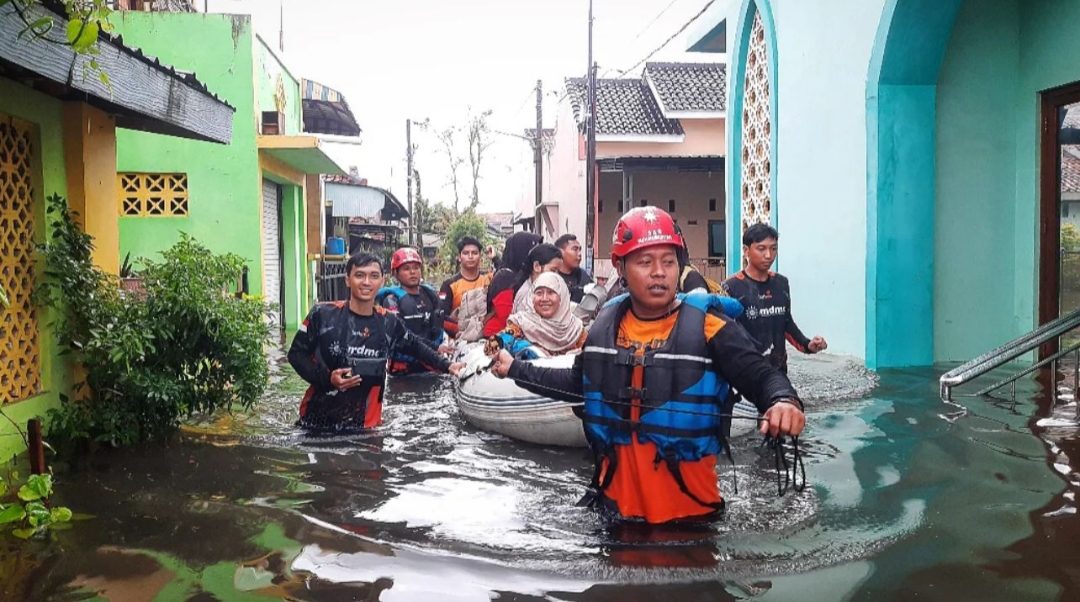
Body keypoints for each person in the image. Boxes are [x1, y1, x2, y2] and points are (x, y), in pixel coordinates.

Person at [489, 207, 805, 525]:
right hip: (613, 519)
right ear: (620, 267)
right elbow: (575, 382)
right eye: (645, 262)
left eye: (668, 262)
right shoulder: (603, 330)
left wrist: (783, 401)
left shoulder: (711, 328)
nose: (659, 272)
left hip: (691, 524)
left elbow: (761, 376)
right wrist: (514, 369)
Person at [288, 252, 464, 431]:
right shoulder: (322, 315)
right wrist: (327, 379)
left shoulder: (388, 322)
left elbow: (415, 345)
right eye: (359, 275)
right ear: (347, 280)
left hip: (367, 429)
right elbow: (295, 354)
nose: (366, 282)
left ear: (382, 281)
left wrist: (448, 366)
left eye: (373, 276)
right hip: (315, 424)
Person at [722, 223, 827, 374]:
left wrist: (808, 345)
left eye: (773, 248)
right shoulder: (730, 287)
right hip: (745, 376)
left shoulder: (781, 283)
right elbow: (723, 337)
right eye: (761, 248)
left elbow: (786, 324)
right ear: (746, 251)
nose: (768, 255)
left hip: (778, 373)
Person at [377, 247, 448, 375]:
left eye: (416, 268)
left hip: (432, 364)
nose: (412, 272)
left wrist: (462, 330)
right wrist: (436, 348)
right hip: (405, 370)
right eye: (406, 269)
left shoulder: (429, 295)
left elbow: (442, 318)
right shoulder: (392, 301)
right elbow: (401, 336)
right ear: (395, 273)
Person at [490, 272, 586, 359]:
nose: (544, 298)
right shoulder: (522, 323)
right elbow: (491, 347)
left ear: (562, 297)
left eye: (551, 292)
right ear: (532, 297)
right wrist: (528, 348)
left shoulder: (576, 330)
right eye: (539, 293)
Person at [483, 231, 542, 337]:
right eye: (532, 251)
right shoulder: (505, 277)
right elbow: (506, 315)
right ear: (521, 251)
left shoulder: (520, 273)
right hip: (498, 335)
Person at [438, 236, 492, 337]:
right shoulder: (449, 285)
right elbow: (441, 317)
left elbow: (507, 278)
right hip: (459, 339)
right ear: (459, 257)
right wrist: (457, 331)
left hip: (486, 336)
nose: (470, 256)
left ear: (480, 256)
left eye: (475, 253)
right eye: (466, 253)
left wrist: (495, 258)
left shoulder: (488, 279)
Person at [511, 243, 563, 314]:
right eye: (553, 270)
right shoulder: (526, 295)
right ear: (536, 267)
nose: (557, 275)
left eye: (558, 272)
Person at [554, 233, 594, 304]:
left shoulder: (583, 276)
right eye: (575, 249)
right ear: (560, 252)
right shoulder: (552, 277)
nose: (579, 254)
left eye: (580, 250)